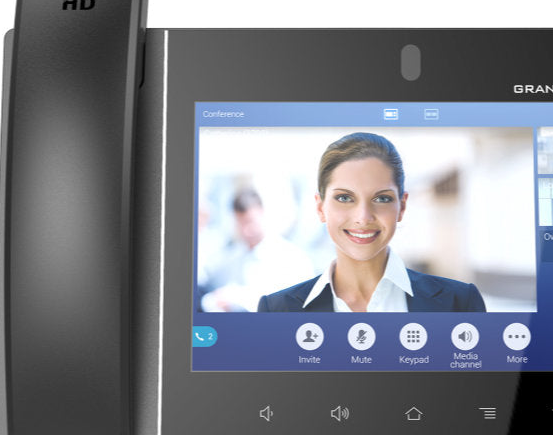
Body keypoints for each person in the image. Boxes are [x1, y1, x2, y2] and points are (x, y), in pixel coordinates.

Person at [258, 132, 486, 312]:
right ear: (320, 208)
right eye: (344, 198)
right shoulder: (278, 311)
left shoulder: (459, 303)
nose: (363, 217)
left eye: (381, 198)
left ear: (402, 207)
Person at [200, 188, 313, 312]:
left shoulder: (292, 258)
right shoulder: (230, 258)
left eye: (250, 222)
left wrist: (239, 299)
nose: (246, 230)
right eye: (240, 223)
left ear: (262, 213)